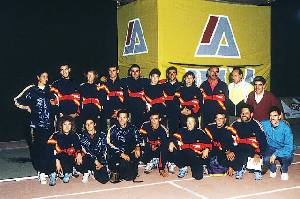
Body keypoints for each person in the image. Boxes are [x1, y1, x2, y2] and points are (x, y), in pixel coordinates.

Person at [14, 71, 55, 185]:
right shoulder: (31, 90)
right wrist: (26, 107)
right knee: (38, 149)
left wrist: (54, 103)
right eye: (43, 76)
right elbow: (16, 100)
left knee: (49, 149)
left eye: (47, 76)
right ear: (38, 77)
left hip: (49, 125)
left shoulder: (51, 90)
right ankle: (41, 172)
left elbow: (57, 102)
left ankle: (49, 170)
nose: (46, 78)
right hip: (36, 125)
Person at [231, 104, 268, 180]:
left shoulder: (256, 124)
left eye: (246, 113)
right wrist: (229, 151)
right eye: (242, 113)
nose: (244, 115)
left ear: (251, 114)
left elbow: (263, 141)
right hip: (240, 149)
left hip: (253, 149)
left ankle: (256, 168)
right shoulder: (235, 124)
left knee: (262, 163)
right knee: (233, 156)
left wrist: (258, 154)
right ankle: (240, 168)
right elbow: (228, 138)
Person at [106, 109, 143, 182]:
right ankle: (114, 170)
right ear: (117, 118)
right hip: (117, 154)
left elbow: (138, 138)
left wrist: (138, 147)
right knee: (126, 174)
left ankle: (130, 167)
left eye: (124, 117)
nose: (122, 120)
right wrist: (121, 154)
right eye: (120, 117)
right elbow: (109, 144)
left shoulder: (133, 128)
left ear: (127, 118)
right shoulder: (112, 129)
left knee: (131, 176)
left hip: (129, 153)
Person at [261, 106, 295, 181]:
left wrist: (276, 154)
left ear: (279, 116)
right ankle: (273, 168)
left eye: (275, 115)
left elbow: (289, 147)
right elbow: (255, 124)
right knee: (266, 159)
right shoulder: (265, 124)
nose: (272, 118)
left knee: (288, 158)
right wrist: (240, 120)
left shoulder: (286, 129)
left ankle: (284, 169)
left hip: (283, 148)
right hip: (271, 147)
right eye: (271, 115)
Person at [47, 116, 82, 186]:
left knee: (71, 152)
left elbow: (78, 146)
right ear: (61, 125)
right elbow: (50, 149)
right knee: (48, 154)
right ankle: (52, 174)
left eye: (69, 124)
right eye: (64, 124)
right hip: (55, 156)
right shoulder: (56, 135)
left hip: (66, 157)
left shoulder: (74, 135)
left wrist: (78, 154)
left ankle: (67, 172)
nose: (67, 126)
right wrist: (57, 160)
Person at [203, 112, 237, 176]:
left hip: (224, 152)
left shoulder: (229, 130)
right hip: (212, 150)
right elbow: (205, 140)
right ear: (215, 119)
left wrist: (231, 165)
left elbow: (234, 145)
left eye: (221, 118)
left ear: (225, 120)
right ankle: (206, 165)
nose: (218, 120)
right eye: (217, 118)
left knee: (231, 157)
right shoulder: (210, 127)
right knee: (202, 154)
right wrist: (206, 148)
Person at [77, 118, 110, 184]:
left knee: (104, 179)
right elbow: (87, 151)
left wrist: (103, 164)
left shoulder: (102, 135)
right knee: (83, 157)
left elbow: (105, 150)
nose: (89, 125)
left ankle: (93, 171)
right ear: (85, 126)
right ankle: (86, 171)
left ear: (94, 124)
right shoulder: (82, 136)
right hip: (89, 158)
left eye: (91, 123)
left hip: (100, 158)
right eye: (87, 124)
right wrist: (96, 161)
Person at [139, 111, 170, 177]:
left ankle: (161, 166)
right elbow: (140, 133)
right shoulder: (145, 124)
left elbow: (164, 144)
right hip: (148, 145)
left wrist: (155, 145)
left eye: (156, 119)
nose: (153, 121)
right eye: (152, 118)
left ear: (159, 119)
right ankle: (153, 160)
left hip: (159, 147)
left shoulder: (163, 129)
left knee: (164, 149)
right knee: (137, 147)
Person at [122, 64, 148, 128]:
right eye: (133, 71)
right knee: (130, 128)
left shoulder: (145, 81)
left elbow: (155, 82)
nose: (135, 73)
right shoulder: (125, 81)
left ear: (140, 72)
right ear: (130, 72)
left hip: (141, 110)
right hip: (130, 110)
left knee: (141, 128)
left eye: (137, 71)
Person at [163, 66, 181, 134]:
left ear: (176, 74)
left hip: (178, 114)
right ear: (167, 74)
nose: (172, 74)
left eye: (174, 72)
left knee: (178, 134)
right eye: (170, 73)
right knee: (167, 133)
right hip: (166, 113)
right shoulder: (163, 86)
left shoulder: (181, 85)